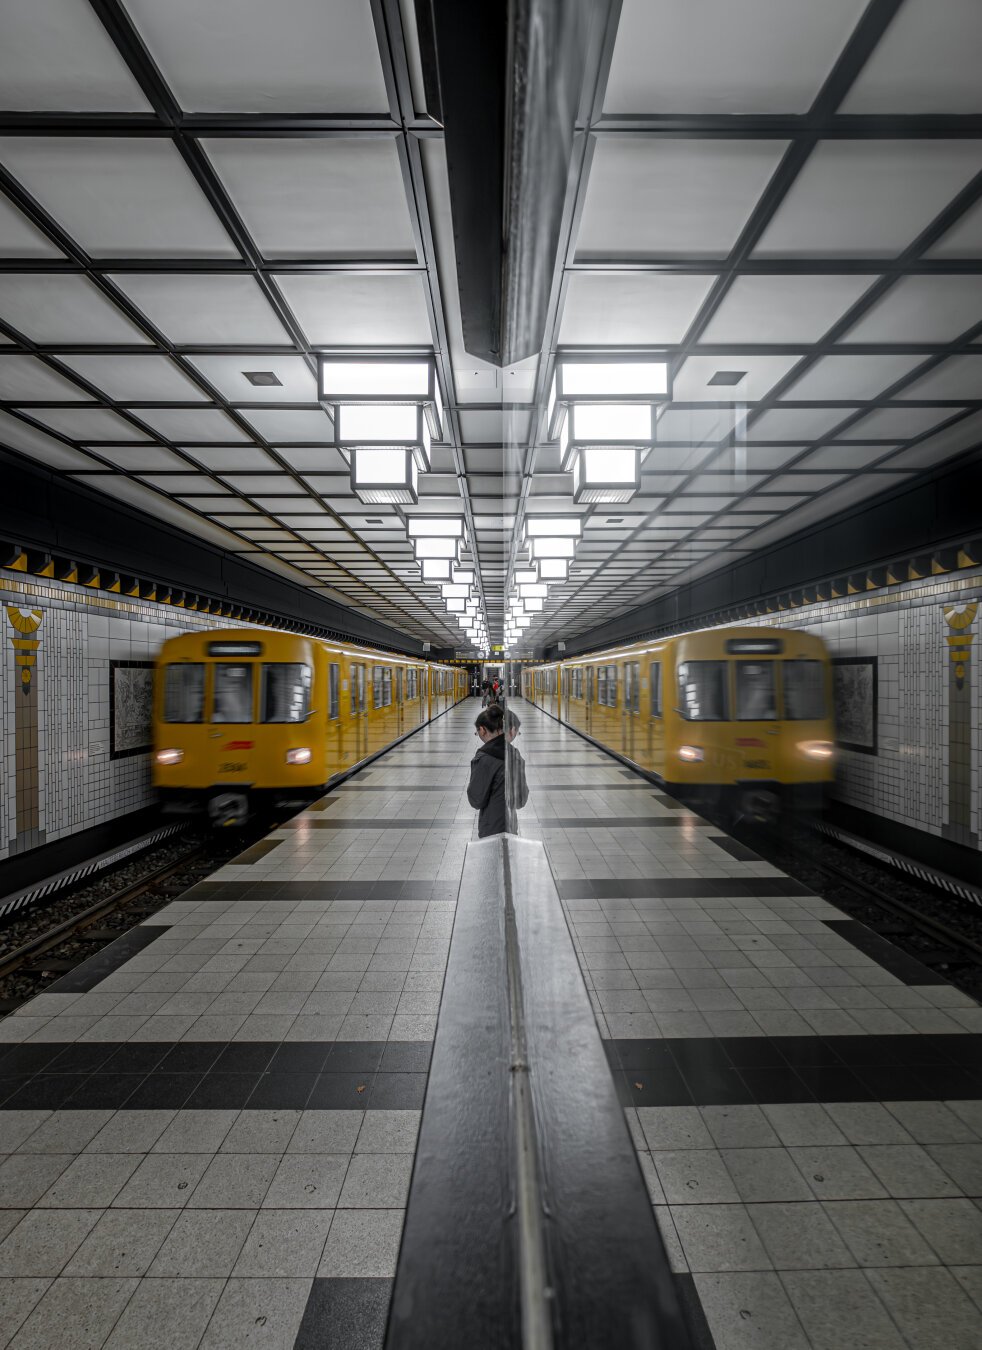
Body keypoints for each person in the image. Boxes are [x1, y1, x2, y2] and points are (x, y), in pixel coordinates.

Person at [467, 704, 528, 837]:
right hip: (511, 826)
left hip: (490, 829)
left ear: (482, 730)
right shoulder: (515, 755)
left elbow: (476, 799)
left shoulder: (483, 759)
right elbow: (521, 800)